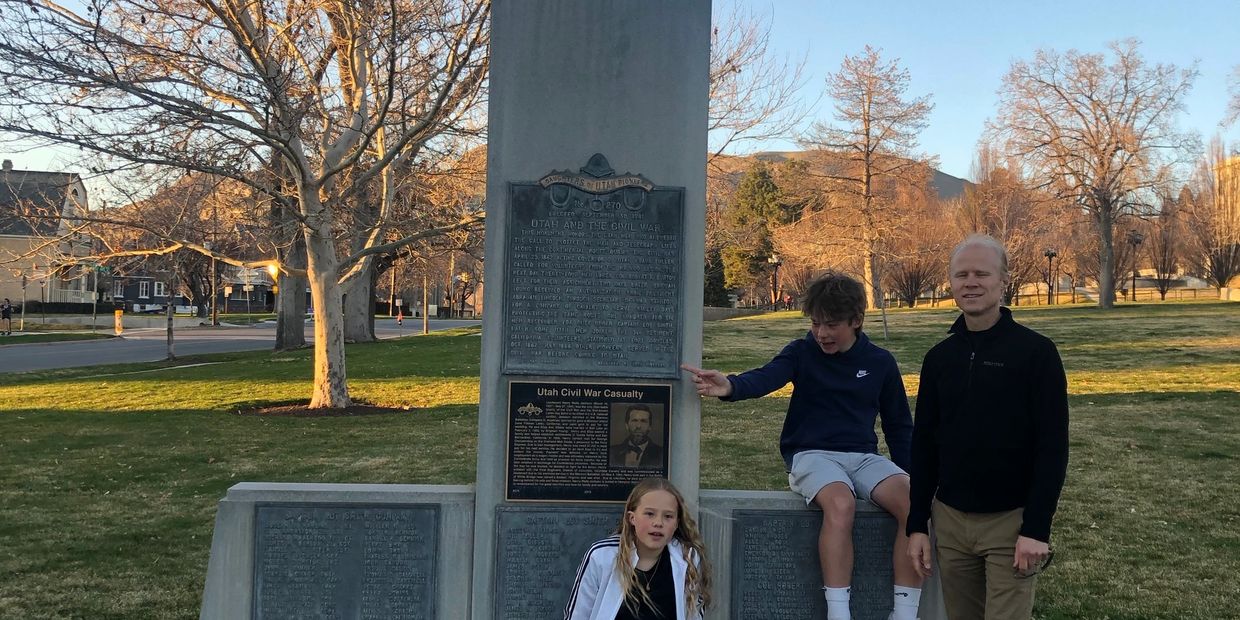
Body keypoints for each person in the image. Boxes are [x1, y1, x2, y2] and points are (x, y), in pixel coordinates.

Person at [682, 271, 921, 620]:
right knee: (840, 504)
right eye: (815, 324)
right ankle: (839, 613)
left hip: (863, 456)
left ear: (856, 320)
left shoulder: (880, 362)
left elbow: (900, 426)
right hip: (810, 454)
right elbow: (767, 376)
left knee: (913, 503)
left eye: (832, 324)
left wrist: (912, 473)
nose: (822, 333)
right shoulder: (801, 352)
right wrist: (731, 386)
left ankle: (904, 613)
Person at [905, 234, 1069, 620]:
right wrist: (917, 525)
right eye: (961, 274)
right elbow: (924, 444)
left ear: (1003, 281)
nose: (971, 282)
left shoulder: (1036, 353)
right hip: (951, 521)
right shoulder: (939, 359)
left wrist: (1037, 529)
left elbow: (1052, 447)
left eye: (982, 273)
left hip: (1010, 524)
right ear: (951, 283)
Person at [565, 477, 712, 620]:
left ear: (676, 523)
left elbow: (694, 615)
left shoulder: (688, 558)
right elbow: (578, 614)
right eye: (649, 514)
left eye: (668, 516)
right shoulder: (601, 556)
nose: (658, 523)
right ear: (632, 518)